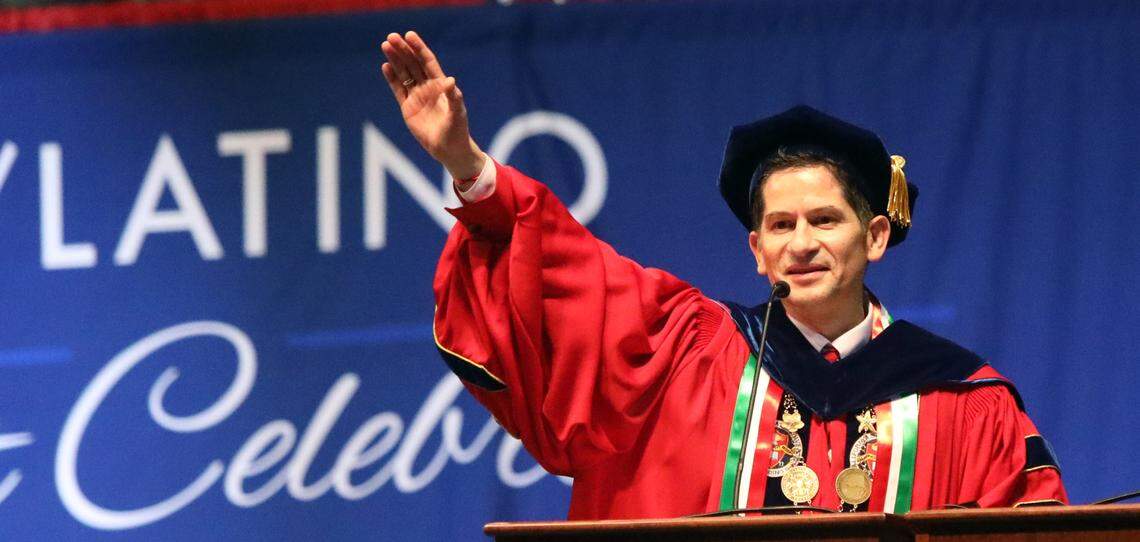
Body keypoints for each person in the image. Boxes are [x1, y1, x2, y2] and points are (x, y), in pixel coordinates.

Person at [379, 31, 1068, 519]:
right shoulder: (681, 349)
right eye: (781, 226)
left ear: (876, 235)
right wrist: (468, 165)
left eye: (825, 221)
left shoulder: (966, 400)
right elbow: (556, 265)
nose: (802, 243)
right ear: (756, 250)